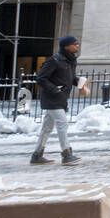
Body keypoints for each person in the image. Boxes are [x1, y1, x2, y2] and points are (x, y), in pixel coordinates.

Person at [31, 35, 83, 166]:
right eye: (75, 44)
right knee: (63, 124)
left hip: (60, 98)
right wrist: (55, 90)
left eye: (77, 43)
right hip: (52, 98)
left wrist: (80, 82)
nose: (77, 45)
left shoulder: (70, 60)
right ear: (66, 46)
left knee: (47, 128)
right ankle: (66, 154)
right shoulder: (54, 60)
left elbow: (68, 77)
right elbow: (41, 78)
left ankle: (37, 155)